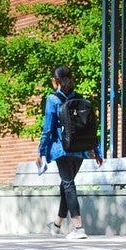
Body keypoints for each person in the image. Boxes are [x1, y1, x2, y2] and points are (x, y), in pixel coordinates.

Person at [35, 64, 104, 240]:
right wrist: (96, 150)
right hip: (80, 150)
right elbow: (90, 127)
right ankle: (57, 225)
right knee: (66, 184)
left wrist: (41, 150)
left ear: (54, 81)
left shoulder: (53, 99)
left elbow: (48, 128)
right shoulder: (81, 99)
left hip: (62, 149)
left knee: (68, 184)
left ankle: (78, 228)